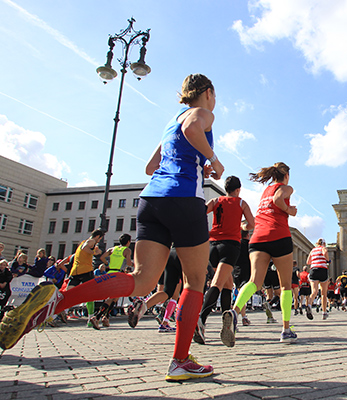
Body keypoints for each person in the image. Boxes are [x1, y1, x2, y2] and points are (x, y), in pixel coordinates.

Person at [0, 73, 224, 382]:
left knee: (142, 281)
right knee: (195, 281)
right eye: (214, 96)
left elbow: (150, 168)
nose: (215, 102)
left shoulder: (170, 123)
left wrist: (197, 161)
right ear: (208, 93)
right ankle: (180, 360)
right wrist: (212, 158)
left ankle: (57, 301)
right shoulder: (202, 113)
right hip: (184, 198)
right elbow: (193, 127)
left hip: (151, 200)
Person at [220, 162, 298, 346]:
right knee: (286, 285)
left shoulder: (265, 191)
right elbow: (278, 200)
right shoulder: (286, 187)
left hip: (258, 238)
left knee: (254, 282)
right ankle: (286, 330)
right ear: (286, 175)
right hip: (278, 235)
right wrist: (289, 211)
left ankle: (234, 312)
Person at [194, 176, 254, 344]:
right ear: (238, 189)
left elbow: (200, 213)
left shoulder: (215, 200)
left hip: (212, 246)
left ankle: (228, 325)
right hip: (230, 246)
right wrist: (242, 226)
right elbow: (251, 223)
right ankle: (201, 320)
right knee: (218, 284)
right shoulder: (241, 203)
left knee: (228, 284)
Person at [91, 233, 134, 329]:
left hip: (110, 273)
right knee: (111, 298)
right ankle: (97, 317)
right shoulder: (127, 250)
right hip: (119, 274)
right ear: (128, 242)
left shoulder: (112, 249)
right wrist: (134, 265)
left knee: (115, 298)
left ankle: (106, 317)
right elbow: (128, 263)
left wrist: (108, 264)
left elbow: (102, 257)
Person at [307, 238, 331, 320]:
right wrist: (328, 260)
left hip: (313, 270)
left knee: (314, 291)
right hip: (322, 269)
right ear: (324, 243)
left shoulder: (313, 250)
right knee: (324, 293)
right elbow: (325, 252)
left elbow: (308, 262)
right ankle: (324, 312)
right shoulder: (323, 248)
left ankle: (309, 304)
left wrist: (314, 261)